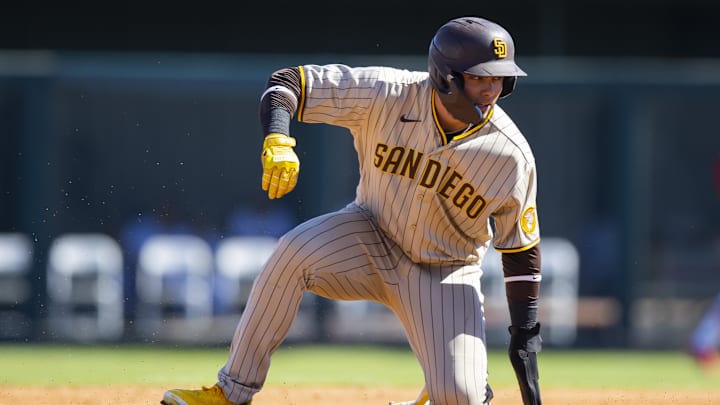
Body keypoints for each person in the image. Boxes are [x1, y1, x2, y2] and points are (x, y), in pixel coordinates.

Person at [162, 16, 543, 405]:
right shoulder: (388, 92)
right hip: (368, 233)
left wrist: (525, 334)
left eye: (500, 79)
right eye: (481, 78)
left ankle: (450, 379)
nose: (492, 89)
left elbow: (521, 252)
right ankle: (231, 392)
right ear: (446, 76)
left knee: (460, 397)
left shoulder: (510, 154)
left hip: (444, 270)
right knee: (292, 252)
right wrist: (277, 136)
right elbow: (286, 82)